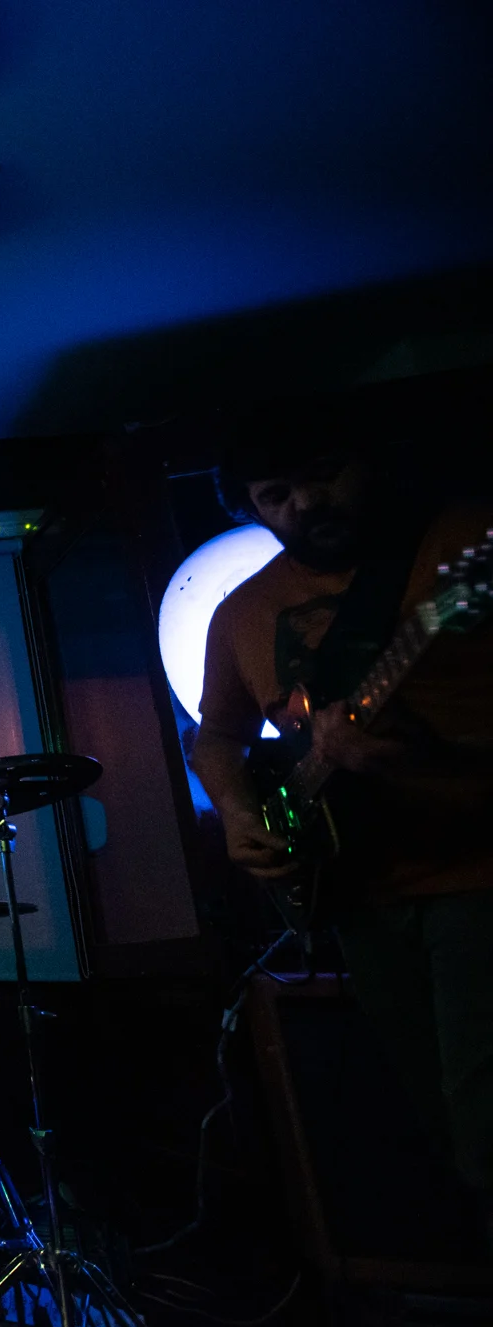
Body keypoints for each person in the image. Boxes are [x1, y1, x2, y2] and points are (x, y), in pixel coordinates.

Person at [192, 414, 493, 1239]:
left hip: (477, 872)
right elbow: (216, 736)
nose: (305, 503)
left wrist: (424, 750)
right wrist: (238, 814)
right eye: (275, 494)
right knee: (444, 1127)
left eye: (322, 475)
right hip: (359, 891)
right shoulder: (242, 611)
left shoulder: (459, 545)